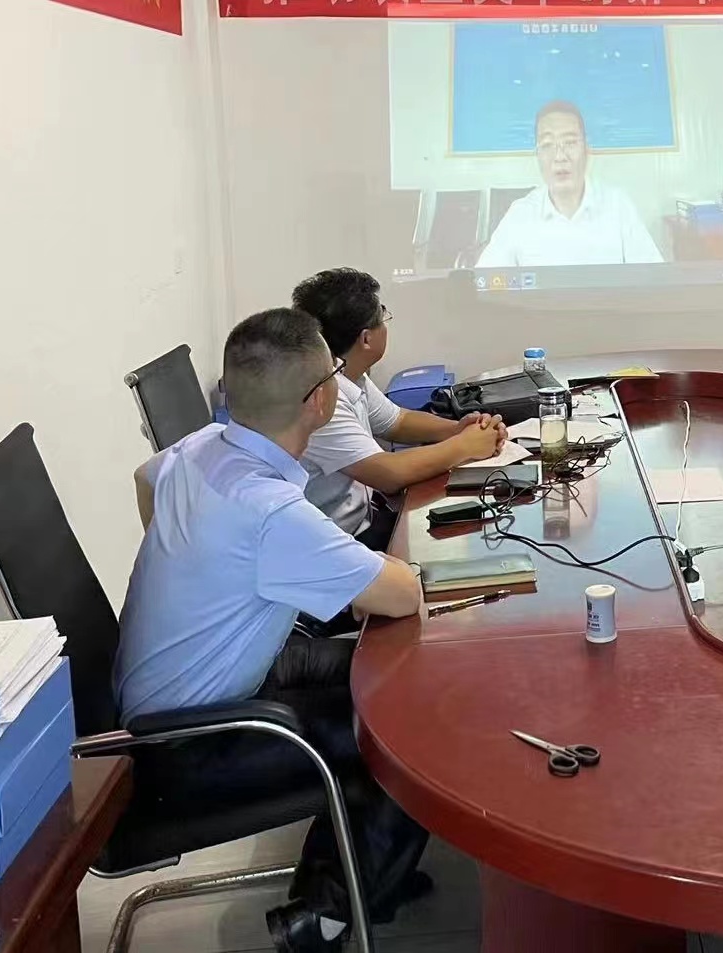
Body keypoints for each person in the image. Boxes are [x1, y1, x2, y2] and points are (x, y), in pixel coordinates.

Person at [116, 309, 431, 953]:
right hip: (187, 743)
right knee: (409, 731)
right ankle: (325, 918)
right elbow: (403, 595)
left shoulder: (204, 446)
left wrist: (201, 567)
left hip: (174, 699)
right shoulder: (269, 511)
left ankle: (361, 876)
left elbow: (144, 480)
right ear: (320, 400)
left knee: (389, 678)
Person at [293, 268, 506, 549]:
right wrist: (465, 446)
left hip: (369, 518)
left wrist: (457, 429)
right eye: (382, 318)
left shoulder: (347, 373)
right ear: (366, 339)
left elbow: (396, 421)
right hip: (341, 542)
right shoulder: (319, 397)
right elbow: (388, 474)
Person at [477, 100, 663, 267]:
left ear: (587, 150)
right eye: (547, 144)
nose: (560, 156)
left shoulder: (618, 205)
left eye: (570, 143)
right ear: (537, 155)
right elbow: (484, 283)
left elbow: (652, 277)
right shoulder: (520, 213)